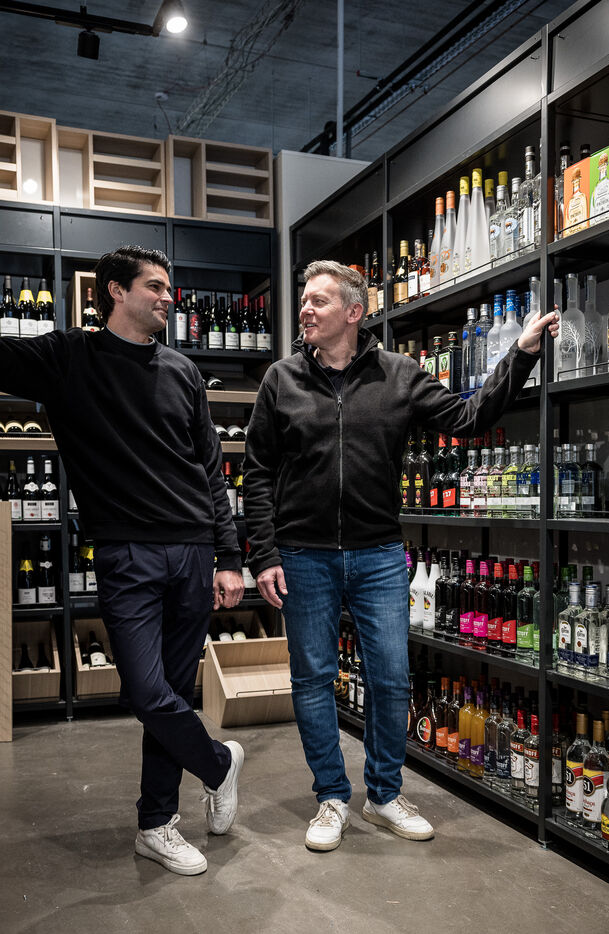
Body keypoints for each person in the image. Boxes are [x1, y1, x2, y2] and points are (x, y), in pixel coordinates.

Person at [242, 259, 559, 852]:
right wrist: (263, 554)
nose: (304, 309)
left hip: (379, 555)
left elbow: (469, 418)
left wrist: (521, 355)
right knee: (312, 679)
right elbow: (256, 472)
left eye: (317, 301)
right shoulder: (281, 379)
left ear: (354, 312)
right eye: (304, 300)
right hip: (303, 555)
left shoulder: (399, 374)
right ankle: (331, 797)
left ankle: (384, 795)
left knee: (390, 677)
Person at [0, 245, 245, 876]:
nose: (168, 298)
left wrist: (228, 555)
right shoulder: (68, 357)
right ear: (115, 290)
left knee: (174, 689)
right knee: (144, 689)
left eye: (169, 287)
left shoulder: (183, 370)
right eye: (155, 286)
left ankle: (156, 824)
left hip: (192, 549)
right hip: (125, 552)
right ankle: (218, 763)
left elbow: (211, 472)